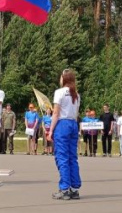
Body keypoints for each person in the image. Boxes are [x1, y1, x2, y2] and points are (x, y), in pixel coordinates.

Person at [49, 68, 81, 201]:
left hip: (62, 124)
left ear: (64, 79)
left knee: (62, 157)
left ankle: (64, 189)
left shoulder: (59, 92)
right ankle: (74, 188)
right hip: (73, 124)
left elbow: (56, 113)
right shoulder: (76, 95)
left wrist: (50, 130)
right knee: (72, 157)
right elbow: (77, 113)